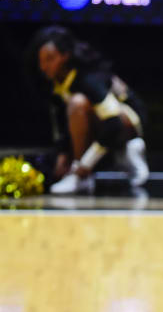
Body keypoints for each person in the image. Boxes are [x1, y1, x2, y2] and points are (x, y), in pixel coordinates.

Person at [30, 26, 149, 194]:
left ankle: (86, 175)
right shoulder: (56, 85)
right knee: (76, 109)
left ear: (65, 56)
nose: (43, 66)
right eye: (41, 60)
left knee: (77, 104)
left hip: (128, 121)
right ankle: (123, 153)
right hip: (106, 127)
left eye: (49, 59)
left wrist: (82, 166)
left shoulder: (87, 78)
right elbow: (64, 127)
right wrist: (63, 155)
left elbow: (113, 123)